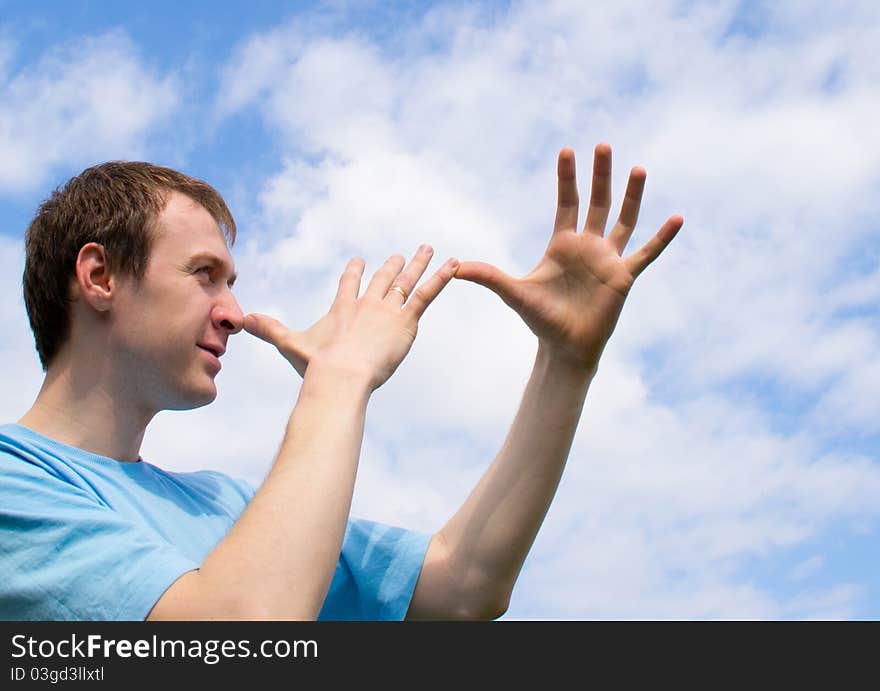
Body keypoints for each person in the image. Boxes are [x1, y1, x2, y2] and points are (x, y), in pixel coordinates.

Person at [0, 143, 682, 620]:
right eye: (204, 274)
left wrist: (566, 364)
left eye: (231, 284)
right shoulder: (14, 481)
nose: (233, 313)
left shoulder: (223, 505)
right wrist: (340, 376)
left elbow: (464, 584)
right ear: (100, 277)